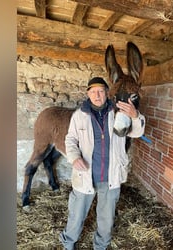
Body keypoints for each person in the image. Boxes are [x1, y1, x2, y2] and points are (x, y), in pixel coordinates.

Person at [59, 77, 145, 250]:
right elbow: (70, 139)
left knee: (106, 218)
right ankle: (68, 243)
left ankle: (101, 246)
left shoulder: (119, 112)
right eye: (93, 92)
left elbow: (136, 132)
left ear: (107, 93)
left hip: (111, 175)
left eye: (100, 91)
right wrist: (75, 158)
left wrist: (135, 116)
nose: (97, 95)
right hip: (86, 175)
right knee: (76, 214)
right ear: (88, 94)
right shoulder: (79, 115)